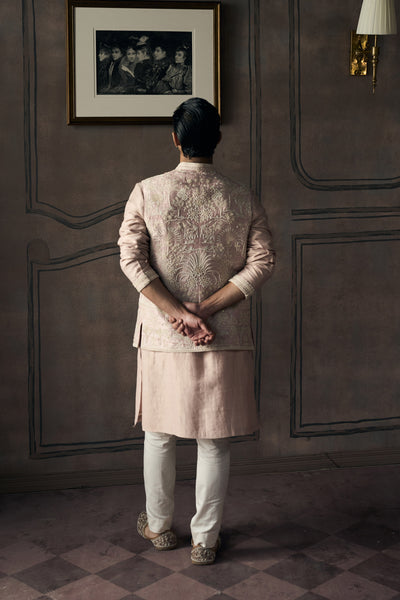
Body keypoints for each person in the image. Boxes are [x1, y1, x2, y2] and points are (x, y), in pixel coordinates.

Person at [118, 97, 275, 565]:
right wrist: (204, 310)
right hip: (224, 333)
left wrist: (178, 313)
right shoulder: (242, 196)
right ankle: (205, 540)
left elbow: (131, 259)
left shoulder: (147, 191)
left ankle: (160, 527)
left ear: (175, 139)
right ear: (217, 140)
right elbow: (263, 262)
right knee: (214, 440)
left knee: (159, 435)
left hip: (163, 335)